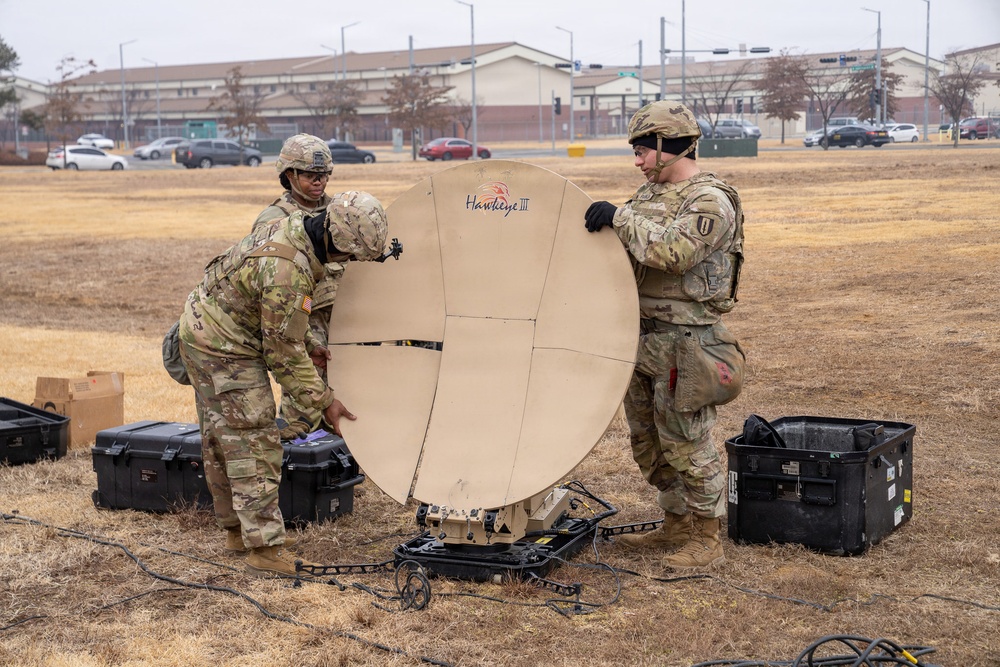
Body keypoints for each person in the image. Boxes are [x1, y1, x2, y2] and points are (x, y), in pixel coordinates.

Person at [178, 191, 389, 577]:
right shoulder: (287, 270)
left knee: (222, 435)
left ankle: (238, 532)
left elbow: (276, 318)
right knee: (252, 438)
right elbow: (282, 353)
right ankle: (265, 547)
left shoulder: (295, 229)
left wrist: (309, 343)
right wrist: (325, 400)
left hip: (205, 328)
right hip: (222, 345)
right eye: (351, 255)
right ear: (338, 242)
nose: (348, 263)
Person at [584, 101, 746, 570]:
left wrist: (618, 219)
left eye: (641, 152)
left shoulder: (709, 200)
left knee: (686, 442)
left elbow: (675, 252)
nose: (636, 162)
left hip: (686, 342)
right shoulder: (645, 197)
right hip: (640, 338)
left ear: (666, 146)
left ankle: (707, 536)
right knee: (648, 442)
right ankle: (675, 524)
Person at [254, 134, 339, 440]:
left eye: (324, 175)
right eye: (311, 175)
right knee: (304, 397)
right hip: (301, 318)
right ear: (290, 175)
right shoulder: (274, 218)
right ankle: (299, 458)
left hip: (342, 316)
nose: (319, 182)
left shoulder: (339, 211)